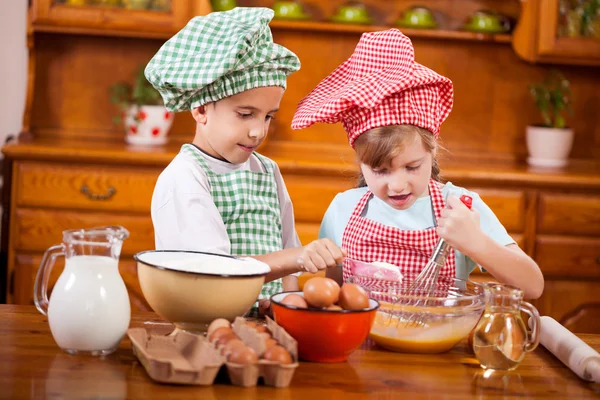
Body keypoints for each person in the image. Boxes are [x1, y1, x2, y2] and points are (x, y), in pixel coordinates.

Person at [291, 29, 543, 299]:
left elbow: (533, 287)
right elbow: (338, 296)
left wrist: (476, 242)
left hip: (438, 339)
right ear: (360, 162)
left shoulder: (461, 208)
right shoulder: (343, 208)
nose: (398, 185)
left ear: (433, 150)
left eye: (412, 167)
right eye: (380, 171)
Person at [146, 7, 345, 315]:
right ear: (201, 110)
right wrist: (297, 256)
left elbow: (289, 259)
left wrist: (288, 309)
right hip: (210, 327)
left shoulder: (267, 171)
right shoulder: (185, 177)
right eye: (245, 114)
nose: (258, 131)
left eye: (268, 116)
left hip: (265, 325)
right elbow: (211, 272)